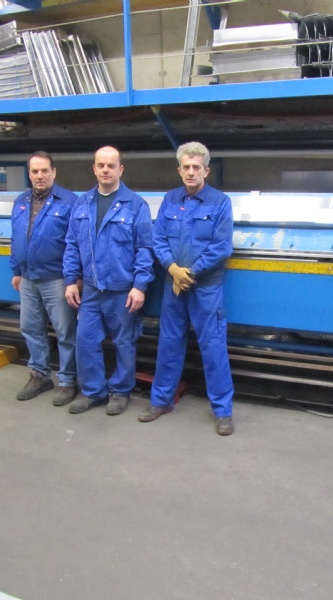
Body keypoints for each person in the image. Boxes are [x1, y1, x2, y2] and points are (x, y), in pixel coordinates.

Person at [138, 142, 235, 435]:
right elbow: (158, 239)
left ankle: (223, 411)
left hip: (205, 288)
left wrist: (190, 273)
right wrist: (172, 269)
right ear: (179, 170)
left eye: (196, 167)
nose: (191, 172)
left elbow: (222, 246)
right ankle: (161, 401)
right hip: (174, 286)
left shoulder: (220, 202)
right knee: (169, 343)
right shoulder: (170, 199)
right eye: (186, 167)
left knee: (213, 347)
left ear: (206, 170)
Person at [63, 146, 154, 416]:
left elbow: (144, 249)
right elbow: (72, 244)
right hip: (91, 288)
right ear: (94, 169)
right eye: (101, 165)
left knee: (124, 342)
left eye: (111, 165)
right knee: (85, 340)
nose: (105, 170)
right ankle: (93, 392)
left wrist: (139, 286)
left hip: (122, 289)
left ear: (120, 169)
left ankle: (120, 392)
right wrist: (71, 280)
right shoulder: (82, 203)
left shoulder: (136, 205)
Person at [10, 151, 79, 405]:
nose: (40, 175)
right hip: (28, 278)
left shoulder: (69, 202)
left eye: (44, 171)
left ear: (54, 172)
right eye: (35, 171)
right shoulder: (20, 201)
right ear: (29, 174)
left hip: (57, 278)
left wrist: (73, 279)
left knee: (65, 331)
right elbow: (16, 237)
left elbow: (76, 244)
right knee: (30, 328)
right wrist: (16, 270)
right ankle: (39, 375)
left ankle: (68, 381)